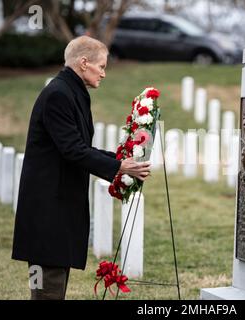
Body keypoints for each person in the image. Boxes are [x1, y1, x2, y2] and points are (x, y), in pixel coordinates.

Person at [11, 36, 150, 300]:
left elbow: (80, 145)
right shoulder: (59, 94)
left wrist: (121, 160)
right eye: (102, 66)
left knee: (54, 289)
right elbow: (73, 150)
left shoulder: (71, 91)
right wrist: (119, 166)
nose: (104, 73)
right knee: (47, 293)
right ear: (84, 63)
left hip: (58, 208)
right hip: (48, 212)